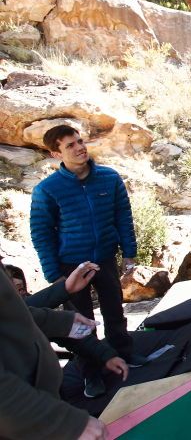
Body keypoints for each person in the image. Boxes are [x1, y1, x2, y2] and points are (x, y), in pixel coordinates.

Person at [29, 125, 146, 400]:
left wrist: (129, 252)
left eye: (80, 141)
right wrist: (54, 276)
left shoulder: (108, 178)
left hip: (105, 256)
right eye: (70, 145)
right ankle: (91, 372)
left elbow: (123, 216)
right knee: (79, 322)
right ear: (55, 152)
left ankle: (124, 352)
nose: (80, 148)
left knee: (114, 311)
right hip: (71, 266)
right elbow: (41, 233)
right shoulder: (47, 190)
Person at [0, 264, 109, 440]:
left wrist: (61, 319)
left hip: (39, 399)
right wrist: (62, 423)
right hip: (22, 417)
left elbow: (14, 313)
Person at [5, 263, 129, 398]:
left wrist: (106, 355)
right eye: (12, 290)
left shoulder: (25, 312)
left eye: (21, 289)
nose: (19, 293)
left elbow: (69, 335)